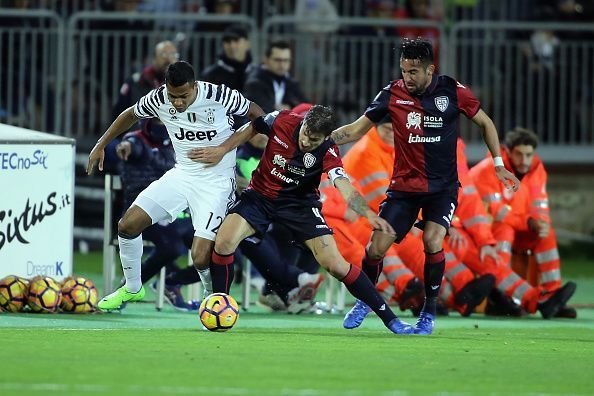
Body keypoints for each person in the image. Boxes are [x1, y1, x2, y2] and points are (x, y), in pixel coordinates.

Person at [330, 38, 520, 335]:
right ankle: (365, 301)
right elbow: (355, 130)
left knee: (432, 241)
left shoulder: (453, 92)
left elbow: (486, 123)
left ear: (431, 69)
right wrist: (321, 141)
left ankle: (429, 312)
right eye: (405, 70)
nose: (408, 77)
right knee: (375, 248)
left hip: (442, 189)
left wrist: (498, 163)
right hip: (404, 189)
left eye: (415, 71)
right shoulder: (392, 94)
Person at [190, 105, 416, 334]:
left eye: (314, 139)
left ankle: (391, 319)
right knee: (224, 242)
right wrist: (223, 149)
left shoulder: (328, 151)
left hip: (300, 207)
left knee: (336, 266)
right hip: (259, 197)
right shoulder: (281, 120)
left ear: (326, 137)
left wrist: (368, 214)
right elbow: (252, 127)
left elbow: (344, 186)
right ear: (304, 122)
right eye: (306, 133)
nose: (306, 142)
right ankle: (220, 305)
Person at [87, 60, 265, 311]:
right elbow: (129, 114)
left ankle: (211, 302)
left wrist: (223, 149)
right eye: (173, 96)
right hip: (182, 175)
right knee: (127, 226)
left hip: (216, 183)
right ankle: (133, 287)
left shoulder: (218, 94)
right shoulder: (159, 98)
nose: (177, 102)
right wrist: (100, 144)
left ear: (195, 86)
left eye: (183, 96)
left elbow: (259, 116)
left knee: (200, 255)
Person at [469, 127, 576, 318]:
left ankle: (553, 297)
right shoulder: (487, 170)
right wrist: (527, 222)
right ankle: (499, 296)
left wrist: (540, 223)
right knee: (505, 228)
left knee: (546, 233)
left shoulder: (536, 169)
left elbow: (540, 204)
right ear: (507, 151)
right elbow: (498, 213)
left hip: (519, 229)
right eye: (519, 154)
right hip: (486, 235)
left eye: (529, 155)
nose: (524, 160)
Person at [112, 40, 179, 120]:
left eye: (173, 54)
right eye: (164, 54)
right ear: (154, 58)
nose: (169, 59)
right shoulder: (135, 82)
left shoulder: (184, 84)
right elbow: (118, 113)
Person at [243, 40, 309, 113]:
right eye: (278, 60)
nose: (282, 64)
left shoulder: (292, 83)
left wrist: (290, 106)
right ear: (266, 59)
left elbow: (306, 107)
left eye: (286, 60)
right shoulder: (254, 82)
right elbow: (259, 110)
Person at [200, 25, 254, 92]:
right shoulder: (211, 76)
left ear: (247, 44)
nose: (232, 45)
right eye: (227, 41)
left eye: (236, 40)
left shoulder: (255, 73)